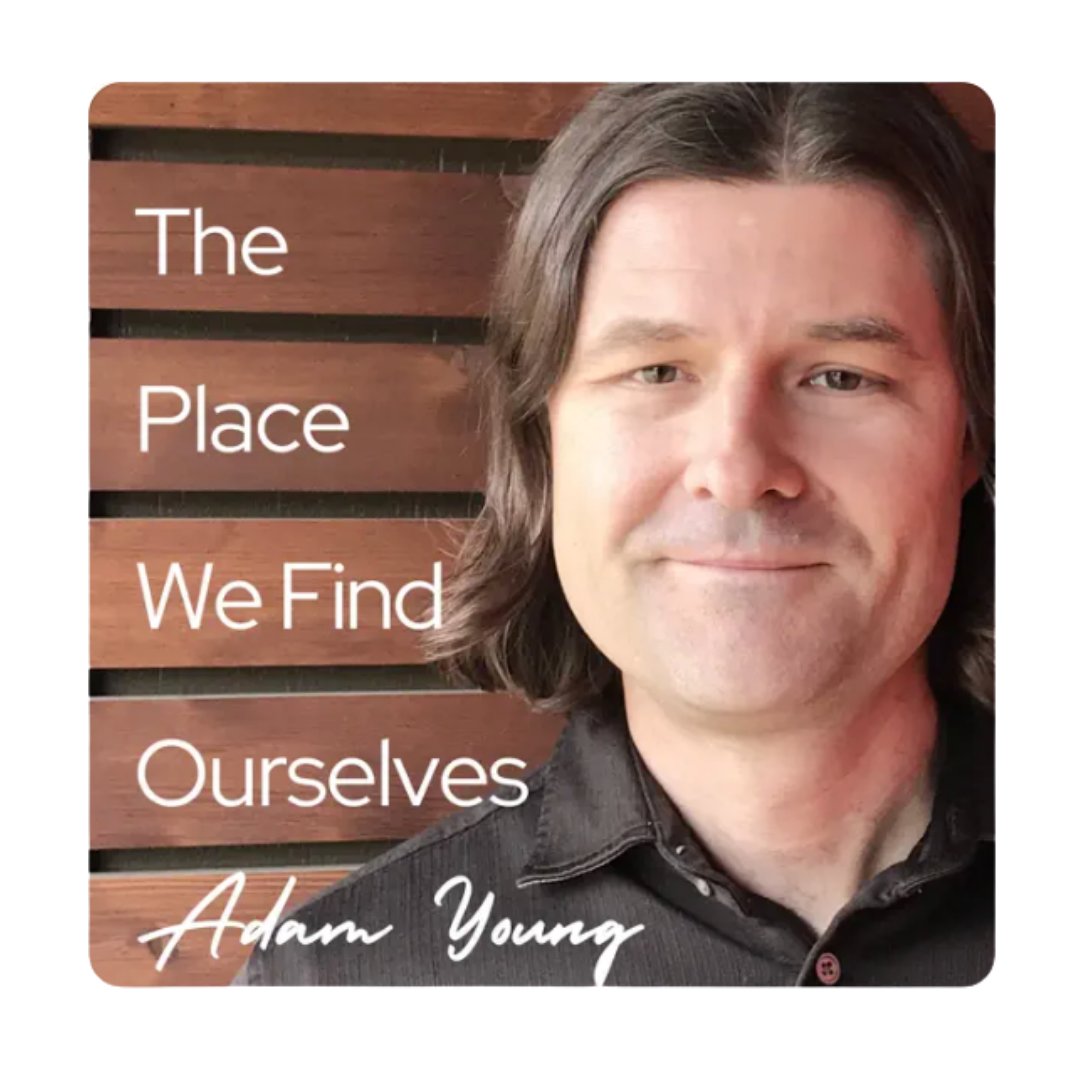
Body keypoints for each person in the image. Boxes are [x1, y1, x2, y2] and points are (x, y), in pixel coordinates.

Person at [231, 81, 994, 990]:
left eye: (841, 377)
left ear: (971, 438)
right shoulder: (338, 973)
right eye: (658, 370)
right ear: (544, 435)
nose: (740, 466)